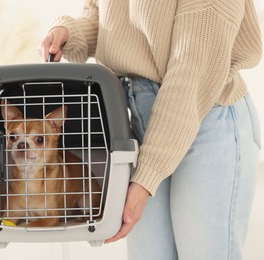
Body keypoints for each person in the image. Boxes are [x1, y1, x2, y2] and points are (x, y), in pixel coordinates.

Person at [38, 0, 262, 259]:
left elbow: (190, 73)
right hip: (141, 121)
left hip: (206, 116)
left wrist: (147, 178)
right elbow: (102, 16)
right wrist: (69, 32)